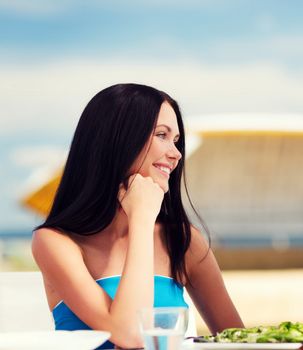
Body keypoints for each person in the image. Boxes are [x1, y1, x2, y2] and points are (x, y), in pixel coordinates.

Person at [32, 83, 244, 349]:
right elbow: (131, 336)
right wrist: (142, 219)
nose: (176, 154)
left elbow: (239, 340)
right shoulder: (56, 242)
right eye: (162, 135)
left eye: (176, 140)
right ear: (118, 139)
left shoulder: (182, 239)